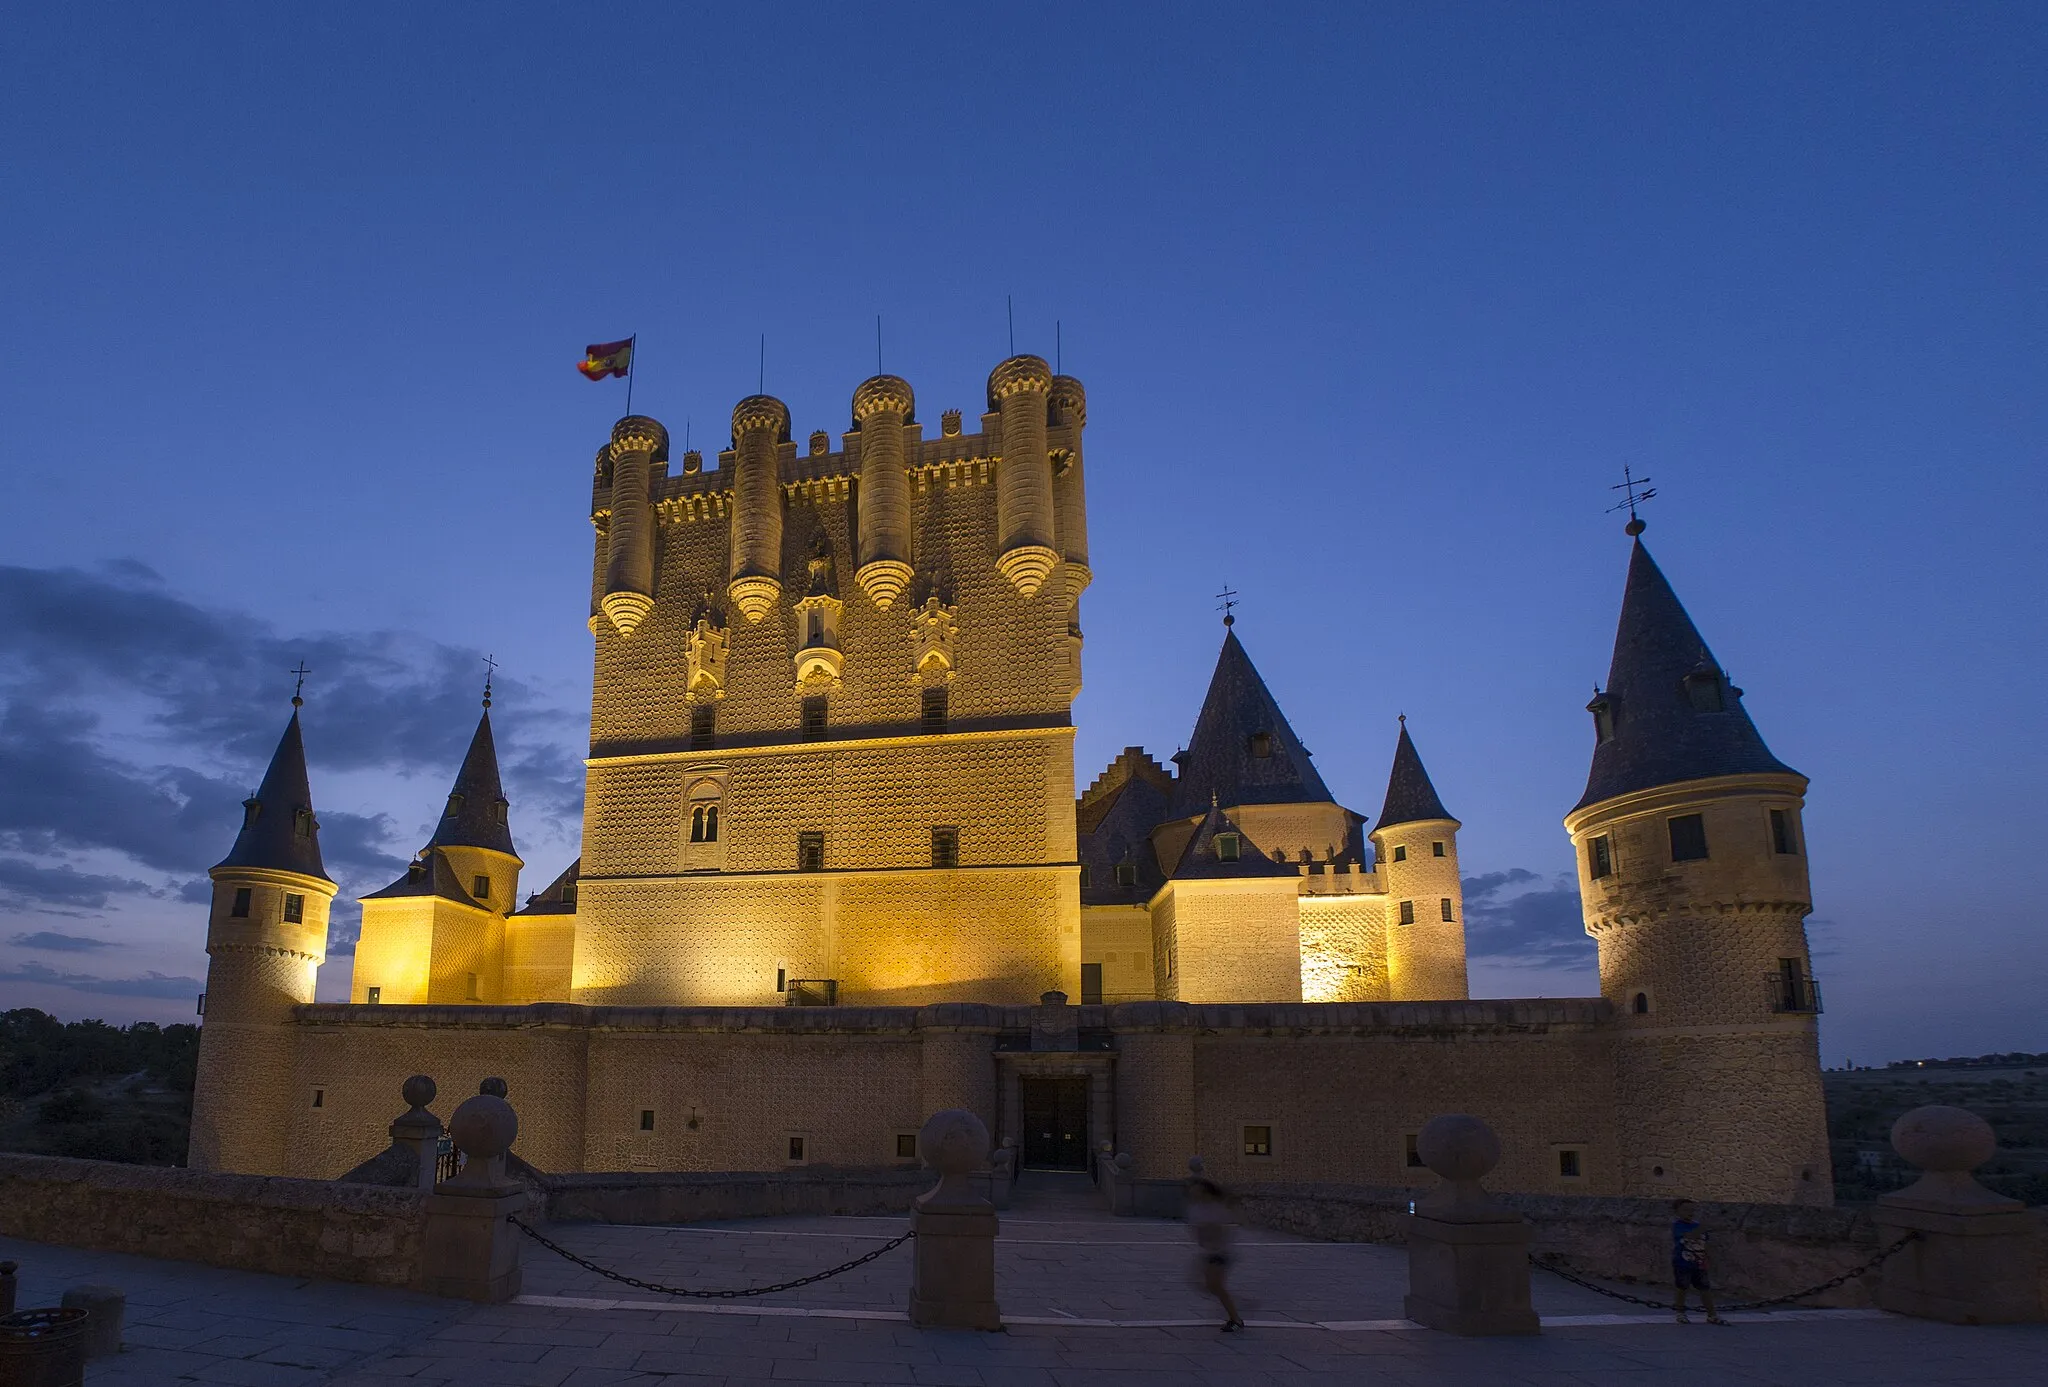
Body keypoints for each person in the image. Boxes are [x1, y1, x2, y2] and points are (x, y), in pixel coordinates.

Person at [1185, 1167, 1245, 1331]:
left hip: (1220, 1252)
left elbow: (1222, 1229)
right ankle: (1236, 1308)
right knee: (1208, 1286)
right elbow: (1197, 1230)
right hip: (1208, 1252)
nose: (1193, 1193)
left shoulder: (1217, 1209)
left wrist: (1213, 1241)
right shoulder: (1196, 1209)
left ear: (1206, 1193)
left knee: (1215, 1286)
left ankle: (1236, 1319)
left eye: (1197, 1190)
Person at [1670, 1199, 1727, 1325]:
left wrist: (1707, 1257)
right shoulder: (1678, 1225)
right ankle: (1680, 1312)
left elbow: (1704, 1243)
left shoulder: (1697, 1225)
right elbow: (1688, 1236)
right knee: (1682, 1287)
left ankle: (1712, 1314)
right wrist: (1703, 1227)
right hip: (1682, 1261)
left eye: (1692, 1210)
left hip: (1699, 1262)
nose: (1690, 1213)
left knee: (1705, 1288)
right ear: (1677, 1212)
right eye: (1685, 1210)